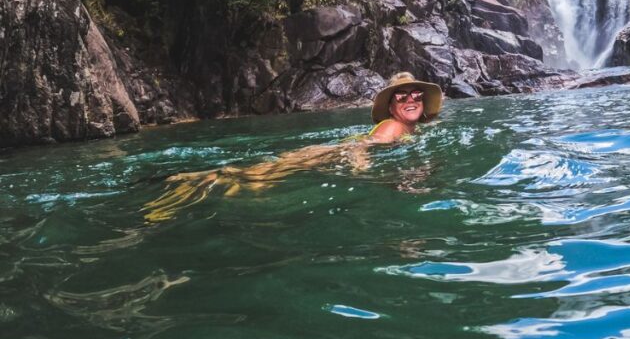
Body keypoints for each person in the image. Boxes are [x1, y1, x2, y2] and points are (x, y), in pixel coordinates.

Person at [142, 72, 443, 222]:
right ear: (391, 106)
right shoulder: (394, 127)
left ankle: (199, 179)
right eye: (401, 96)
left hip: (328, 150)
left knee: (262, 174)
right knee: (258, 178)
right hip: (332, 153)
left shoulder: (406, 128)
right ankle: (196, 181)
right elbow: (366, 144)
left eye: (416, 93)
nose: (411, 99)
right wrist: (359, 163)